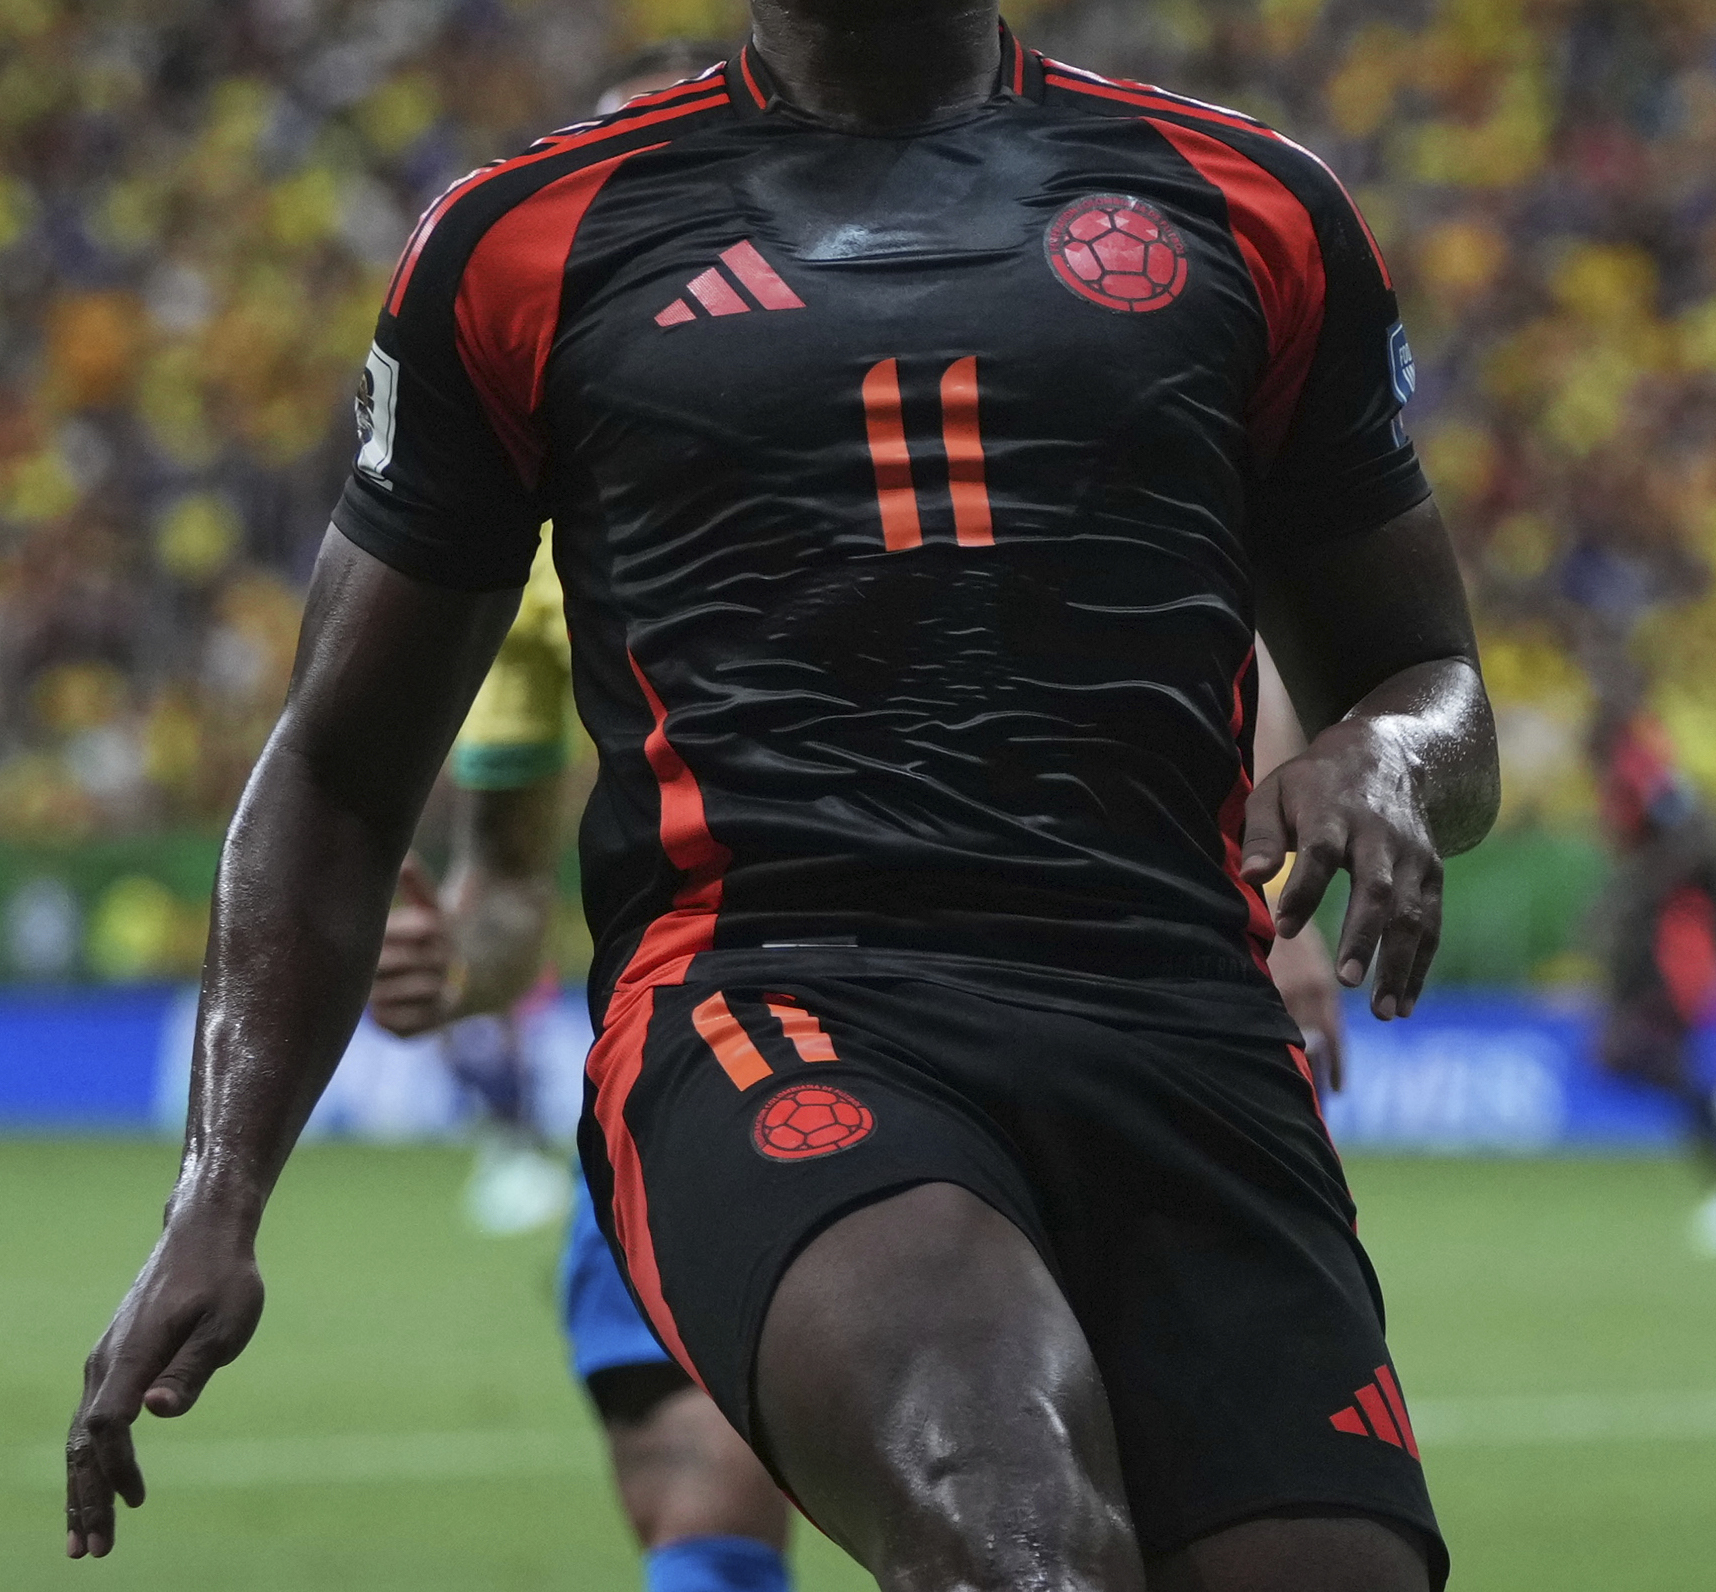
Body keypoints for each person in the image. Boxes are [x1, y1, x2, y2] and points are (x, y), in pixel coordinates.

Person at [70, 0, 1497, 1590]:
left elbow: (1434, 681)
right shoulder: (529, 246)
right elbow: (335, 761)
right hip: (779, 1006)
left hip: (1182, 1027)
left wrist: (1391, 755)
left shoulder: (1251, 213)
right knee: (1013, 1536)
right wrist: (221, 1185)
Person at [368, 623, 1360, 1592]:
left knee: (1144, 1513)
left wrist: (1262, 882)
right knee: (703, 1492)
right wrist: (450, 964)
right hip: (736, 1038)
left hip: (1083, 1011)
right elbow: (501, 891)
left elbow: (1219, 619)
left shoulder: (978, 470)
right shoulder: (530, 556)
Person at [1583, 706, 1716, 1256]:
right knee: (1626, 1054)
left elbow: (1699, 844)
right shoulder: (1632, 785)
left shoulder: (1648, 781)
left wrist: (1635, 901)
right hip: (1662, 947)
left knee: (1626, 1051)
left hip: (1675, 951)